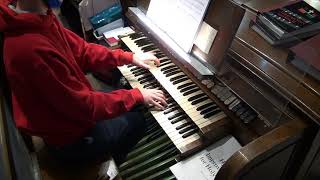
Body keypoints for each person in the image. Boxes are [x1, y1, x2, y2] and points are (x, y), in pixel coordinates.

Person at [0, 0, 167, 163]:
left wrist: (129, 57)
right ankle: (107, 164)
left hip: (72, 112)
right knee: (137, 121)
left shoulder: (38, 13)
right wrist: (137, 95)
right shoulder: (28, 49)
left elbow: (82, 51)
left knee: (133, 101)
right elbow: (83, 106)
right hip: (69, 138)